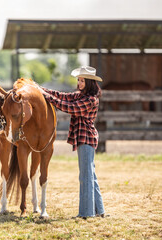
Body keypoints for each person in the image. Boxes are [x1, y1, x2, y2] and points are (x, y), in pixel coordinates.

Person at [39, 66, 107, 219]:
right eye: (79, 80)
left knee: (85, 177)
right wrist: (41, 90)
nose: (79, 83)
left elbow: (69, 107)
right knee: (91, 176)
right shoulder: (81, 95)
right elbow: (62, 96)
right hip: (85, 138)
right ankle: (99, 210)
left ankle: (86, 213)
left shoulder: (90, 100)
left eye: (82, 80)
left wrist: (48, 97)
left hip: (86, 139)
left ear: (89, 82)